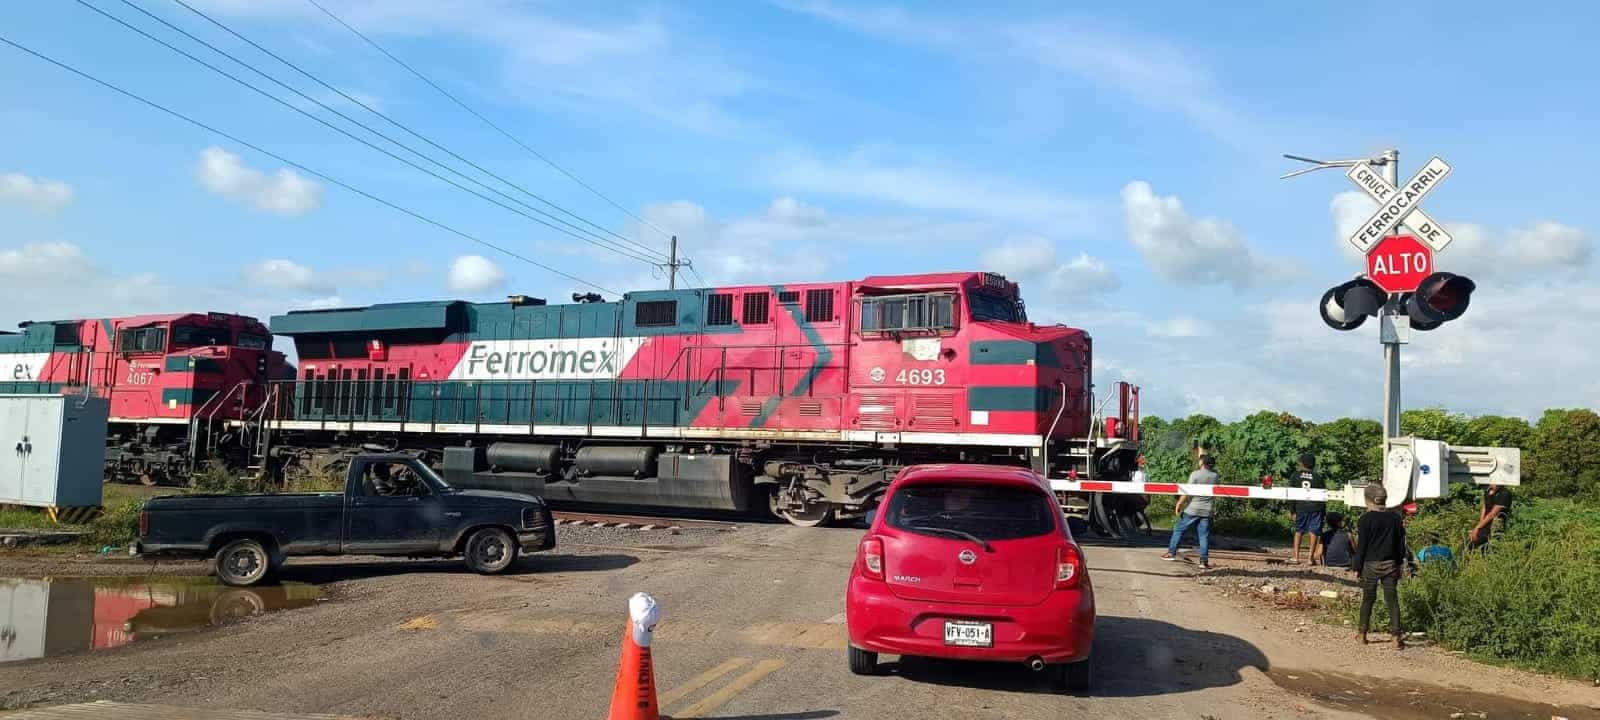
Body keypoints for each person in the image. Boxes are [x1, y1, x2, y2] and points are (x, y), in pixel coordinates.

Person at [1352, 484, 1416, 648]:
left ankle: (1362, 634)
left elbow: (1362, 546)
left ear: (1368, 500)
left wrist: (1357, 567)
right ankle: (1395, 637)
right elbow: (1400, 545)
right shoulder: (1395, 518)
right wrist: (1400, 564)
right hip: (1390, 565)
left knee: (1368, 599)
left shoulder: (1365, 520)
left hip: (1370, 565)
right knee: (1392, 600)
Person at [1162, 454, 1217, 570]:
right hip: (1207, 510)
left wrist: (1179, 504)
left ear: (1202, 462)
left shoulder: (1195, 474)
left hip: (1192, 509)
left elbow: (1187, 491)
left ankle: (1172, 553)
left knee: (1179, 529)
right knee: (1203, 536)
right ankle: (1203, 561)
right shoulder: (1215, 476)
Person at [1288, 453, 1327, 565]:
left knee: (1299, 531)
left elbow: (1292, 494)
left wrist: (1292, 510)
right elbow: (1323, 496)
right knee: (1313, 532)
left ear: (1302, 463)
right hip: (1315, 508)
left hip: (1301, 507)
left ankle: (1296, 556)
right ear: (1313, 464)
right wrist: (1323, 512)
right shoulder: (1318, 477)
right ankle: (1310, 558)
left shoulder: (1295, 475)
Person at [1467, 484, 1512, 552]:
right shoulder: (1488, 491)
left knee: (1491, 547)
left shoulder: (1504, 493)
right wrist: (1480, 525)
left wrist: (1477, 528)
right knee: (1471, 544)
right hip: (1485, 524)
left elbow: (1492, 514)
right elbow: (1484, 507)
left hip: (1495, 526)